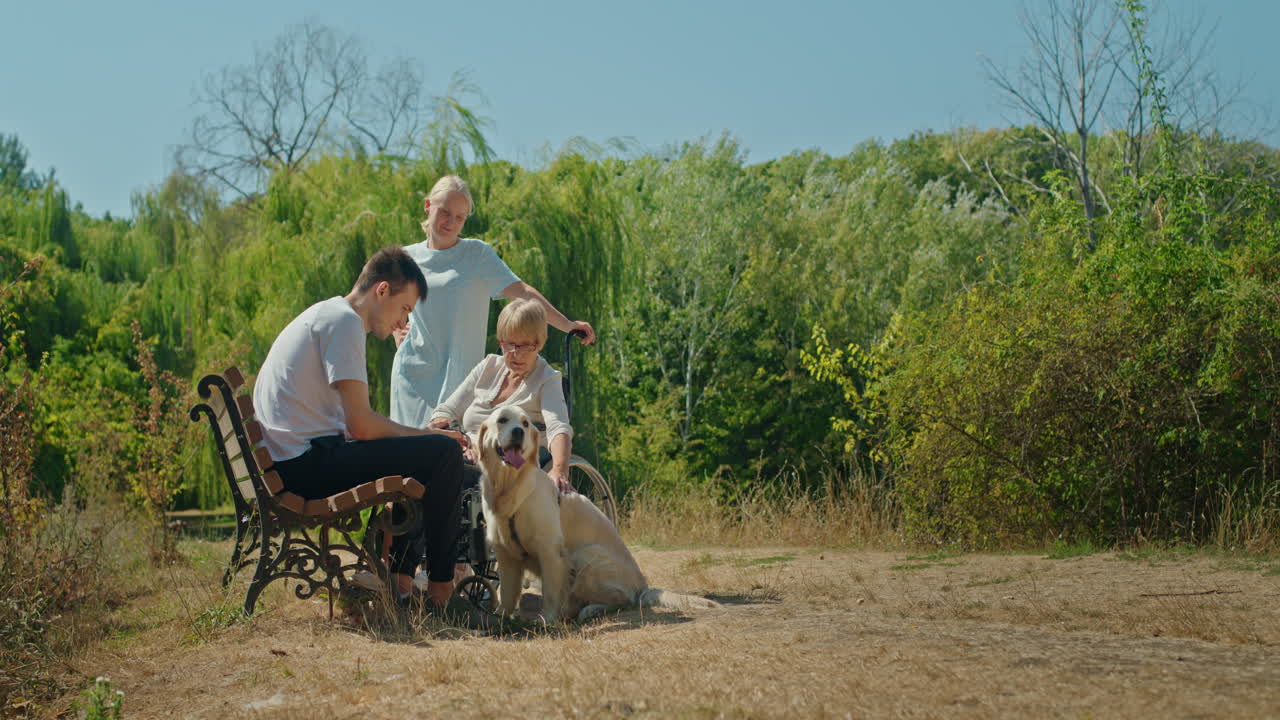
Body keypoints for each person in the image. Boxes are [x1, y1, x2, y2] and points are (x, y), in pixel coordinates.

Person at [252, 246, 468, 608]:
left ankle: (399, 580)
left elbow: (355, 425)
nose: (403, 322)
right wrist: (429, 435)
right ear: (382, 290)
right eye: (404, 309)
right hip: (304, 467)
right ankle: (440, 592)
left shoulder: (327, 314)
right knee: (444, 453)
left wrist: (417, 438)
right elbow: (363, 426)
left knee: (423, 452)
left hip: (293, 462)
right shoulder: (345, 323)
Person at [389, 175, 595, 431]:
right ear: (428, 206)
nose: (451, 222)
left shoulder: (477, 255)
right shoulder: (406, 258)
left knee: (453, 449)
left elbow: (523, 291)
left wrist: (567, 325)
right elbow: (384, 303)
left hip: (460, 379)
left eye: (460, 217)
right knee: (409, 450)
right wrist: (398, 333)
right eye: (444, 212)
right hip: (412, 379)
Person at [428, 298, 574, 492]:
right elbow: (447, 410)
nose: (516, 354)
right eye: (510, 345)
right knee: (423, 451)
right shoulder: (488, 366)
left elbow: (559, 428)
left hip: (512, 460)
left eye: (524, 346)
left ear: (538, 344)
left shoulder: (547, 379)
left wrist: (559, 470)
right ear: (501, 342)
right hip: (466, 452)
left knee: (443, 468)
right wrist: (458, 439)